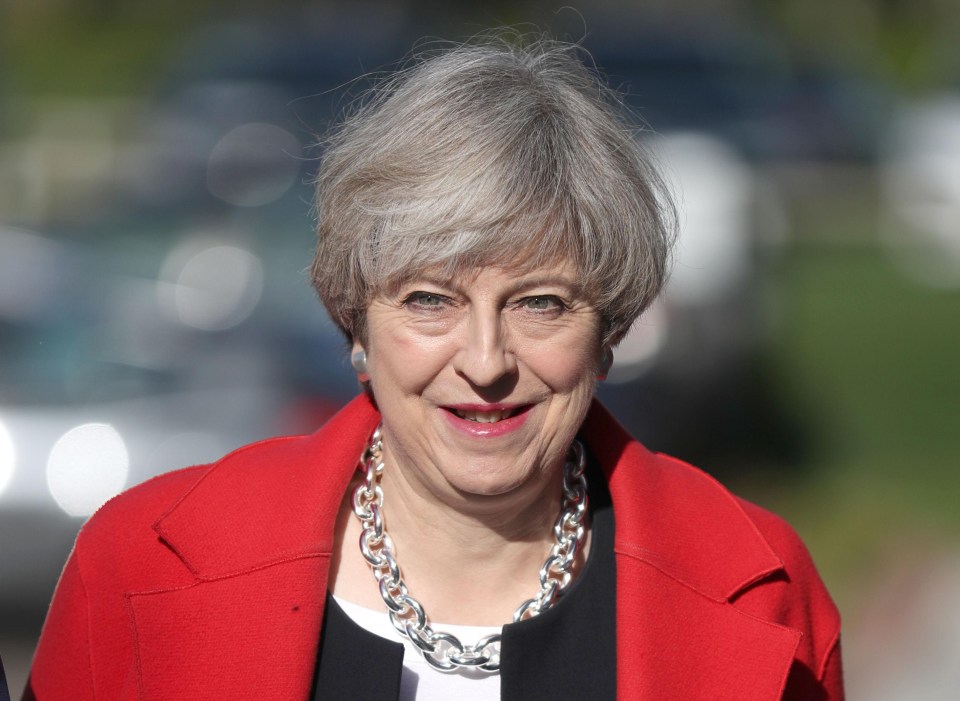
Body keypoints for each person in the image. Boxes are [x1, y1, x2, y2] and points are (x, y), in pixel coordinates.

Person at [25, 34, 843, 700]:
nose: (485, 361)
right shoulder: (138, 564)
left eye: (541, 303)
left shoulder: (758, 587)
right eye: (429, 299)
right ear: (354, 322)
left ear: (610, 331)